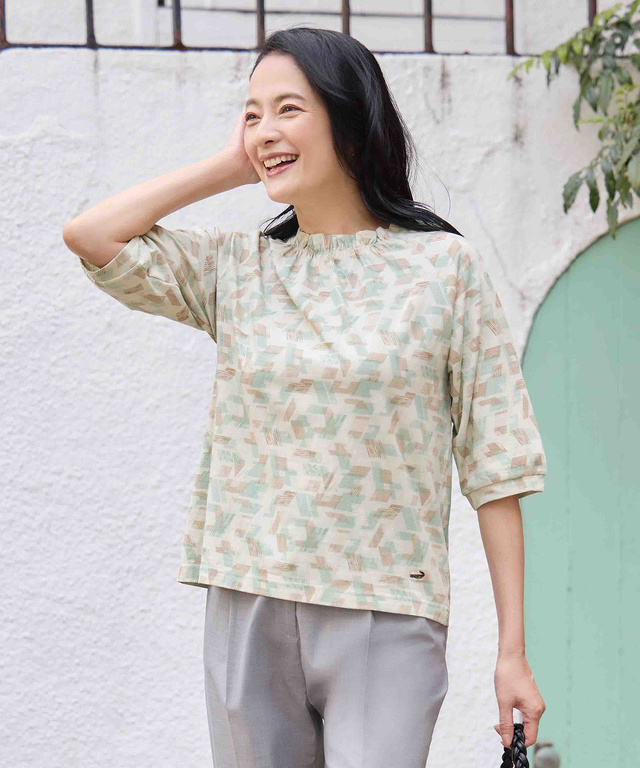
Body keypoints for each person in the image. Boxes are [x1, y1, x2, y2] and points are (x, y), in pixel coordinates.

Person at [63, 25, 547, 768]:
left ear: (349, 120)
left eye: (288, 109)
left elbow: (497, 465)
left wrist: (511, 652)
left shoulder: (443, 269)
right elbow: (91, 235)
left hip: (386, 608)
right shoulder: (240, 270)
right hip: (247, 598)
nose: (265, 130)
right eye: (251, 114)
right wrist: (231, 167)